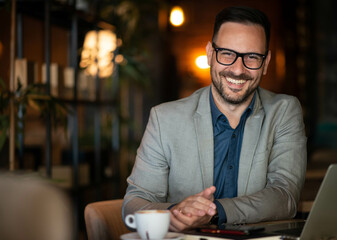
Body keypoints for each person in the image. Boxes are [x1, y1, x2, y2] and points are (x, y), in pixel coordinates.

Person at [122, 5, 307, 232]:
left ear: (266, 62)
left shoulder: (284, 111)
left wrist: (214, 210)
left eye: (252, 56)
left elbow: (285, 197)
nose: (238, 70)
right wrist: (173, 213)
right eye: (227, 54)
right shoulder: (164, 119)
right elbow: (134, 202)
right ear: (210, 53)